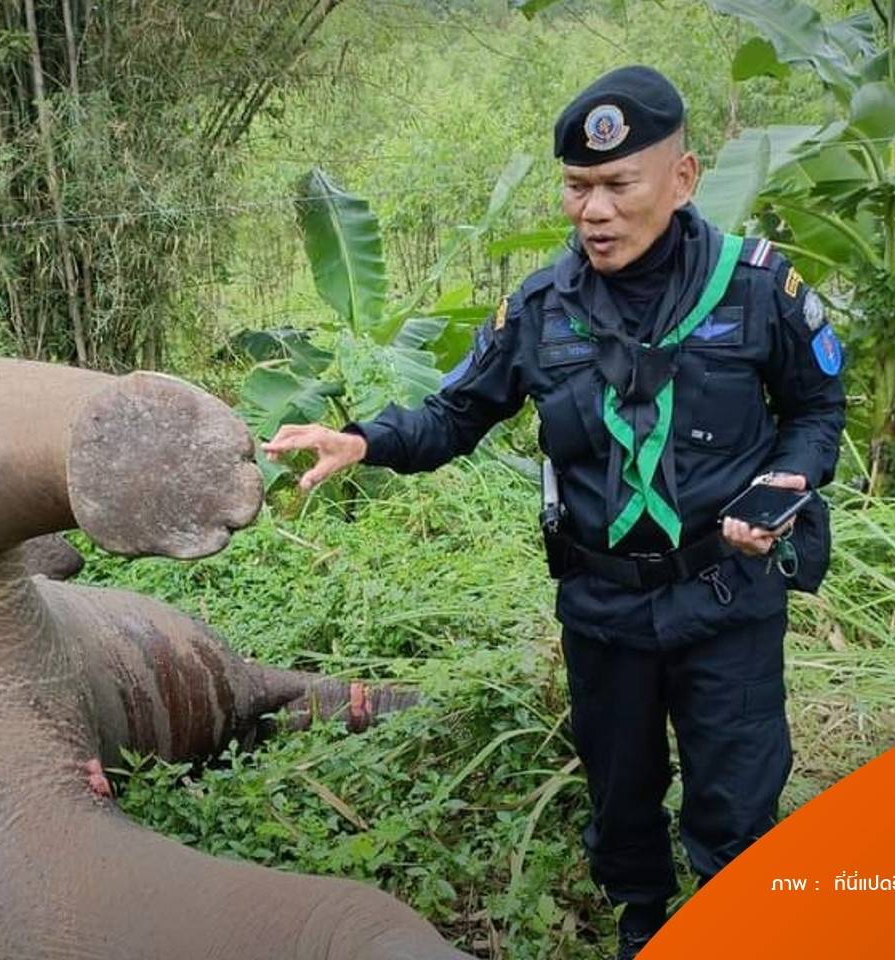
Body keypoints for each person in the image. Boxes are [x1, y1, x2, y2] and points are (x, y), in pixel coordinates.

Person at [263, 65, 846, 960]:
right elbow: (455, 414)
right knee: (619, 792)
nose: (593, 211)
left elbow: (815, 410)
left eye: (617, 185)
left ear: (681, 179)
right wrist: (364, 440)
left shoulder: (757, 289)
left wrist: (783, 486)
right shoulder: (539, 308)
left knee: (737, 801)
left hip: (725, 596)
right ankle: (641, 922)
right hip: (603, 607)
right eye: (577, 187)